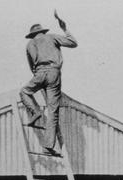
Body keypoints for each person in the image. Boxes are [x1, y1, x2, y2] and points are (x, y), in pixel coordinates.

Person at [19, 11, 77, 156]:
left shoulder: (30, 44)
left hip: (39, 73)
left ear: (32, 35)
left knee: (25, 91)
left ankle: (35, 111)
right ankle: (48, 145)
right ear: (43, 31)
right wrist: (65, 29)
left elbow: (31, 65)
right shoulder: (52, 37)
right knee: (53, 111)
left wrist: (39, 78)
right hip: (54, 73)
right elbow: (73, 43)